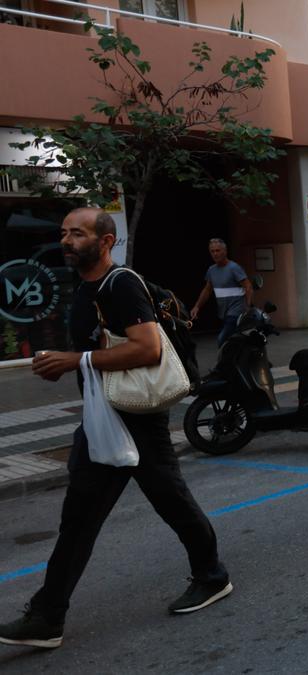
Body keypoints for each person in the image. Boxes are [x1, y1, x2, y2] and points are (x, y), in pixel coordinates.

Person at [2, 208, 232, 650]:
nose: (67, 241)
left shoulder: (120, 285)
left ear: (105, 242)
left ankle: (212, 575)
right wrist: (68, 363)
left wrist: (77, 360)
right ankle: (48, 616)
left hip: (137, 419)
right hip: (101, 419)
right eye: (64, 233)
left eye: (78, 234)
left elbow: (147, 348)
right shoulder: (84, 288)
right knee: (78, 519)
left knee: (173, 503)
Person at [191, 238, 253, 346]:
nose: (215, 254)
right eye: (212, 251)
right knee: (233, 341)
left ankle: (224, 362)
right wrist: (197, 306)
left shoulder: (234, 268)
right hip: (223, 312)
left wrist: (247, 306)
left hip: (236, 311)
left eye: (218, 251)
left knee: (222, 339)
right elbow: (207, 290)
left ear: (225, 251)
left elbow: (248, 287)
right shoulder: (211, 270)